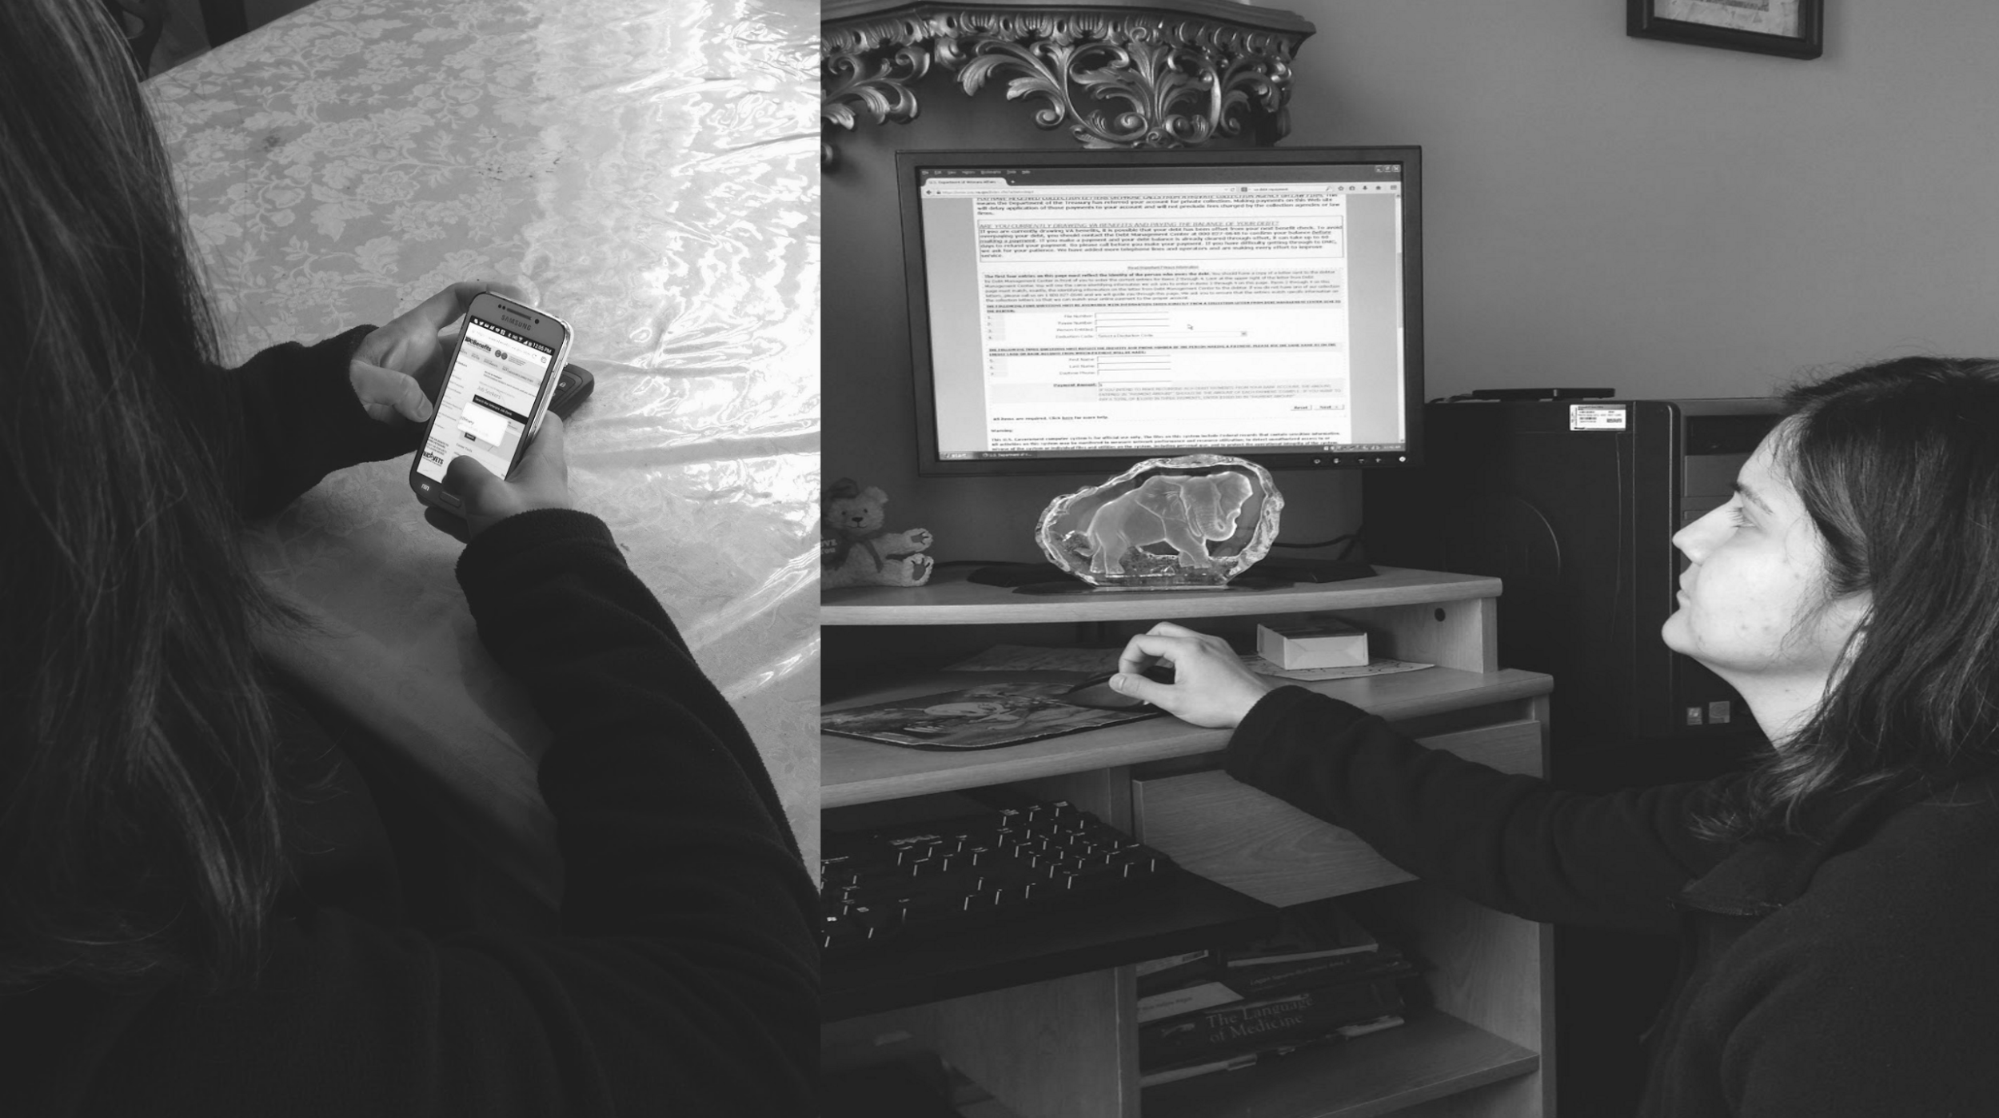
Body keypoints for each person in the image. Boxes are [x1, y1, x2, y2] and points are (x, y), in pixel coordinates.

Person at [0, 2, 815, 1114]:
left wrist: (324, 399)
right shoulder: (121, 1021)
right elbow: (734, 1025)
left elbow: (55, 464)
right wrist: (555, 562)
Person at [1108, 357, 1999, 1116]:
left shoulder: (1885, 957)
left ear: (1897, 605)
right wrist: (1259, 709)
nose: (1687, 533)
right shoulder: (1857, 794)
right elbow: (1543, 845)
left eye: (1746, 515)